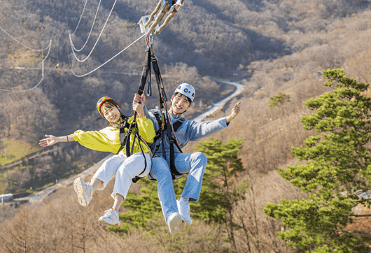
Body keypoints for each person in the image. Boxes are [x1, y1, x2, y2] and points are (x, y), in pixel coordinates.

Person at [134, 82, 241, 233]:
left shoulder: (187, 126)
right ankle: (171, 214)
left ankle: (184, 200)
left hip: (175, 160)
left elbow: (205, 128)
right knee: (164, 171)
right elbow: (144, 119)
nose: (180, 103)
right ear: (172, 98)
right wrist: (140, 107)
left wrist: (229, 118)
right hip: (156, 158)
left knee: (200, 157)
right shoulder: (156, 115)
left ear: (188, 107)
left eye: (185, 101)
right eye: (178, 99)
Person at [39, 96, 157, 227]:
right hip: (125, 157)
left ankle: (115, 211)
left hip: (142, 157)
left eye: (111, 109)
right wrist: (58, 139)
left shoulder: (134, 120)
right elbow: (84, 136)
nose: (110, 114)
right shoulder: (109, 133)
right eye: (106, 113)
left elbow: (150, 136)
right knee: (109, 162)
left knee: (124, 169)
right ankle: (90, 189)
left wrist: (141, 113)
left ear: (118, 107)